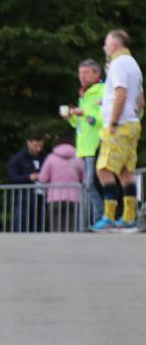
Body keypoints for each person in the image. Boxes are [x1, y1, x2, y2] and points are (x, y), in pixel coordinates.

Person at [92, 29, 142, 231]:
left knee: (103, 169)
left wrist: (113, 122)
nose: (104, 47)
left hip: (119, 125)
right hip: (132, 123)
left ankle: (109, 216)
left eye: (106, 43)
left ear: (114, 45)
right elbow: (140, 100)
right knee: (125, 171)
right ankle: (128, 217)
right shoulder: (133, 63)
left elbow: (121, 93)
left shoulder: (118, 63)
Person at [63, 59, 105, 227]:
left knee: (91, 184)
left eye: (86, 72)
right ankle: (99, 218)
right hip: (84, 147)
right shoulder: (84, 94)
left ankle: (102, 217)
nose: (82, 76)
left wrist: (85, 114)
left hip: (96, 145)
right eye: (80, 73)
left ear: (97, 73)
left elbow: (103, 118)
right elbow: (79, 125)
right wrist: (71, 117)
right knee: (89, 185)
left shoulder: (102, 90)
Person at [39, 142, 85, 232]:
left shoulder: (51, 158)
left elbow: (42, 179)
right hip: (73, 198)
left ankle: (56, 241)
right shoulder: (77, 158)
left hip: (54, 198)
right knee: (70, 226)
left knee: (55, 226)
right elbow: (84, 178)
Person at [7, 133, 49, 232]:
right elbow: (11, 178)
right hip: (23, 199)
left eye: (41, 146)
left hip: (41, 199)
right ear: (28, 143)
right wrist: (29, 177)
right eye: (35, 146)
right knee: (21, 227)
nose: (38, 149)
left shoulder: (46, 157)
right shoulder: (17, 159)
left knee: (39, 227)